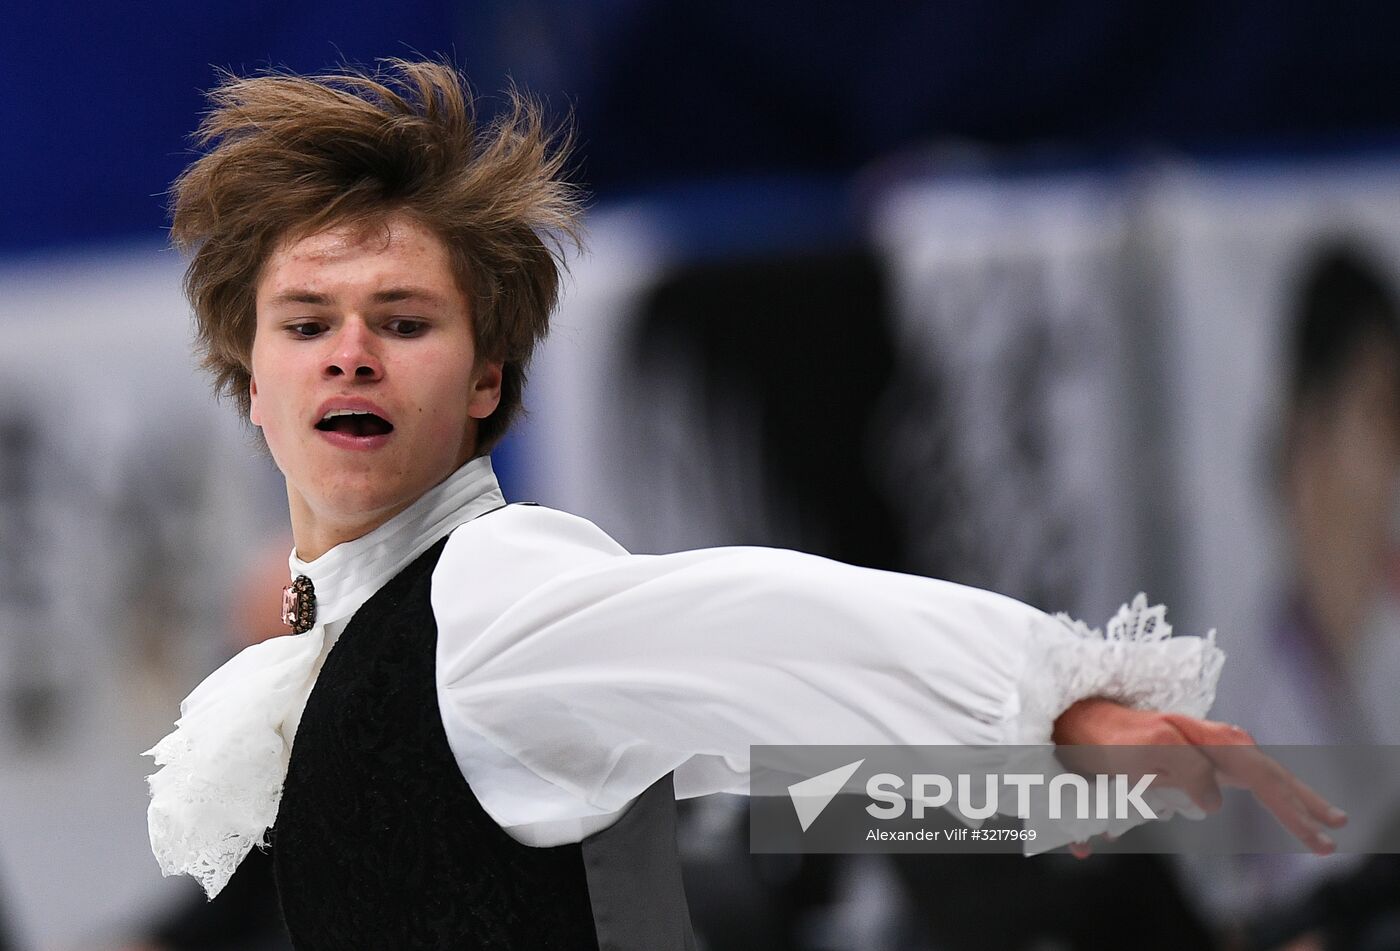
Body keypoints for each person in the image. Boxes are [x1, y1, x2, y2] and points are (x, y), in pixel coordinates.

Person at [141, 59, 1345, 951]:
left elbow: (764, 620)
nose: (351, 353)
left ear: (487, 380)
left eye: (404, 322)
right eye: (306, 324)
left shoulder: (487, 597)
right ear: (251, 381)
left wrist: (1054, 704)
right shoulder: (331, 649)